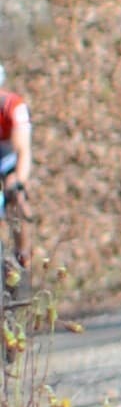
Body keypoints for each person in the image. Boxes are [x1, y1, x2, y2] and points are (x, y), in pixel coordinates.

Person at [0, 60, 31, 292]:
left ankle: (23, 254)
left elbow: (23, 151)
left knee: (15, 196)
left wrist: (18, 183)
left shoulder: (13, 105)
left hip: (9, 157)